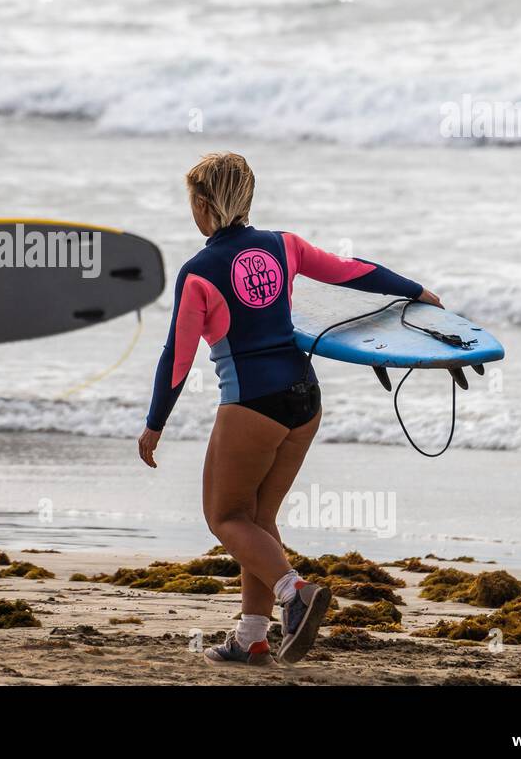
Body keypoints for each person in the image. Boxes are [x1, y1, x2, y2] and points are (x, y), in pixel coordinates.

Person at [137, 153, 441, 667]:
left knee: (225, 517)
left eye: (192, 199)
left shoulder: (197, 272)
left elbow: (177, 357)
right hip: (304, 398)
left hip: (252, 404)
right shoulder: (284, 246)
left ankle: (292, 591)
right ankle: (252, 637)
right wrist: (414, 290)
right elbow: (352, 271)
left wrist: (153, 425)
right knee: (257, 519)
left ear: (204, 204)